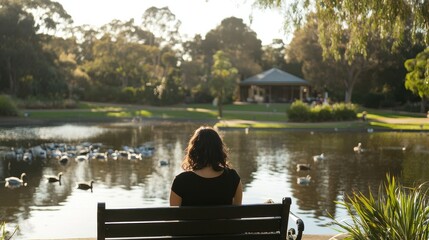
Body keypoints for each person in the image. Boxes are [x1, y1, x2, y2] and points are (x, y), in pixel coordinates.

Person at [170, 126, 243, 206]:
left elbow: (173, 216)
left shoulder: (181, 181)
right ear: (219, 149)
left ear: (194, 150)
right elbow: (237, 215)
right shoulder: (233, 178)